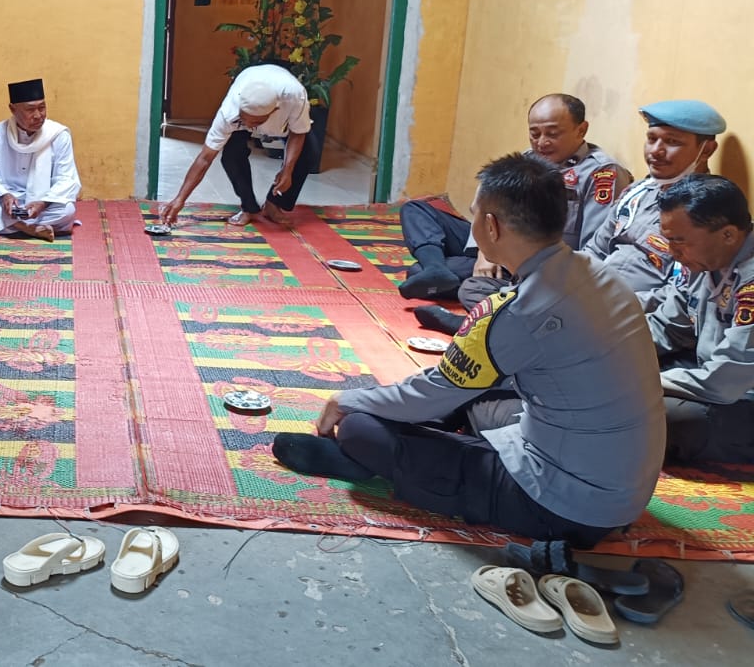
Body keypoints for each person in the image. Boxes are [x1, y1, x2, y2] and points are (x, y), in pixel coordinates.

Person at [272, 153, 665, 544]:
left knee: (362, 425)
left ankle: (366, 458)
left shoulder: (521, 311)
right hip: (620, 486)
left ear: (490, 226)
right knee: (478, 389)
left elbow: (434, 392)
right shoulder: (600, 275)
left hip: (564, 505)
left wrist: (347, 399)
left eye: (474, 214)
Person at [406, 94, 630, 329]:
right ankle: (437, 269)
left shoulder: (601, 174)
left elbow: (592, 250)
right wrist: (485, 252)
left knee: (457, 285)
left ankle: (486, 318)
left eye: (553, 134)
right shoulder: (528, 160)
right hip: (495, 243)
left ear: (581, 130)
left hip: (536, 266)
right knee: (416, 210)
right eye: (535, 134)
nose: (542, 142)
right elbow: (487, 207)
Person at [645, 174, 754, 464]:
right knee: (627, 369)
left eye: (679, 242)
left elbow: (724, 381)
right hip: (707, 372)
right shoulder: (703, 261)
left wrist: (636, 382)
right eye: (668, 240)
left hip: (738, 392)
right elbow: (666, 327)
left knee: (663, 418)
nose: (672, 252)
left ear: (728, 234)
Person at [584, 99, 725, 303]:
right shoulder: (637, 192)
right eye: (651, 139)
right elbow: (595, 250)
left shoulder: (708, 213)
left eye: (672, 142)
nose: (656, 151)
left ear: (707, 150)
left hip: (637, 319)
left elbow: (682, 296)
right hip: (593, 297)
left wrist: (609, 306)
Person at [159, 63, 318, 229]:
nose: (249, 125)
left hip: (285, 99)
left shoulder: (294, 97)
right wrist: (180, 199)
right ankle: (248, 207)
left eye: (255, 122)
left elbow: (298, 132)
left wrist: (287, 170)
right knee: (232, 156)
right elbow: (205, 158)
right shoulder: (229, 112)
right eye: (245, 119)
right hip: (247, 84)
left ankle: (274, 204)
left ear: (274, 111)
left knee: (308, 154)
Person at [0, 78, 81, 242]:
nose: (38, 115)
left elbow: (66, 179)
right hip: (6, 204)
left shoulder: (58, 135)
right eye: (30, 110)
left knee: (67, 210)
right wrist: (5, 196)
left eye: (42, 107)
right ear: (13, 109)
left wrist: (43, 203)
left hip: (42, 205)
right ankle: (28, 228)